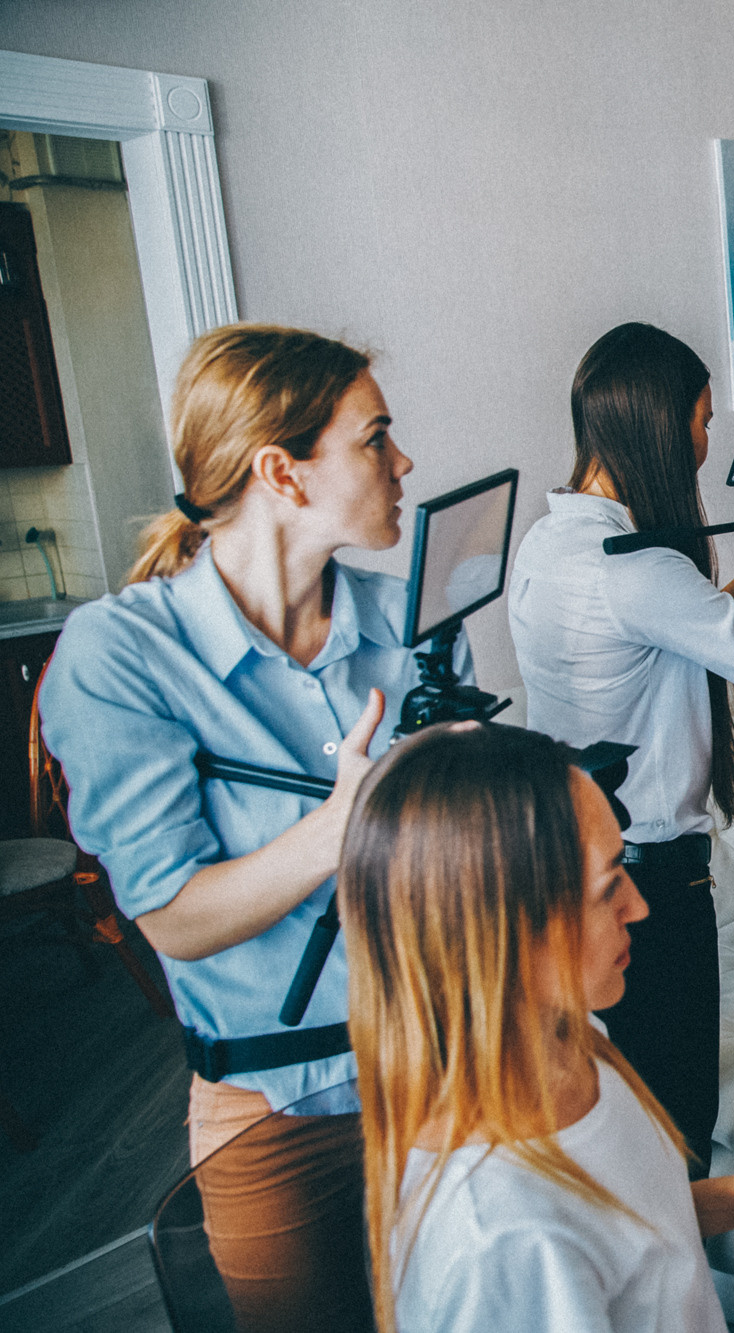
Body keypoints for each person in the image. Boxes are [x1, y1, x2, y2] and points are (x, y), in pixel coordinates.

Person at [38, 323, 456, 1332]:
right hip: (270, 1112)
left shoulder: (413, 620)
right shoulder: (120, 654)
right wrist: (342, 825)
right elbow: (174, 919)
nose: (404, 462)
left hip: (444, 1067)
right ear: (282, 471)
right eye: (375, 437)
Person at [341, 723, 734, 1333]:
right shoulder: (496, 1244)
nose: (639, 906)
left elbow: (613, 1229)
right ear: (506, 938)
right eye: (610, 885)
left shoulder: (572, 1037)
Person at [507, 322, 734, 1175]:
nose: (707, 442)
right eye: (703, 421)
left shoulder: (556, 543)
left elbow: (704, 633)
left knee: (620, 1127)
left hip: (579, 867)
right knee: (675, 1132)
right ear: (662, 426)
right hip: (652, 884)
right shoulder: (632, 570)